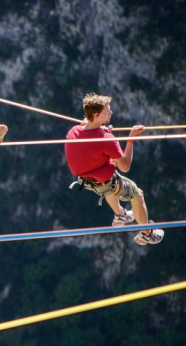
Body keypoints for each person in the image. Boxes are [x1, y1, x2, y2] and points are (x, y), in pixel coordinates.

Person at [65, 93, 163, 245]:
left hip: (86, 181)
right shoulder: (107, 139)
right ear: (96, 114)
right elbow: (125, 166)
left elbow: (86, 126)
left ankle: (120, 214)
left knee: (110, 176)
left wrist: (100, 129)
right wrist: (131, 139)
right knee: (137, 194)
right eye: (107, 111)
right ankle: (147, 234)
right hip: (105, 181)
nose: (111, 113)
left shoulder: (73, 131)